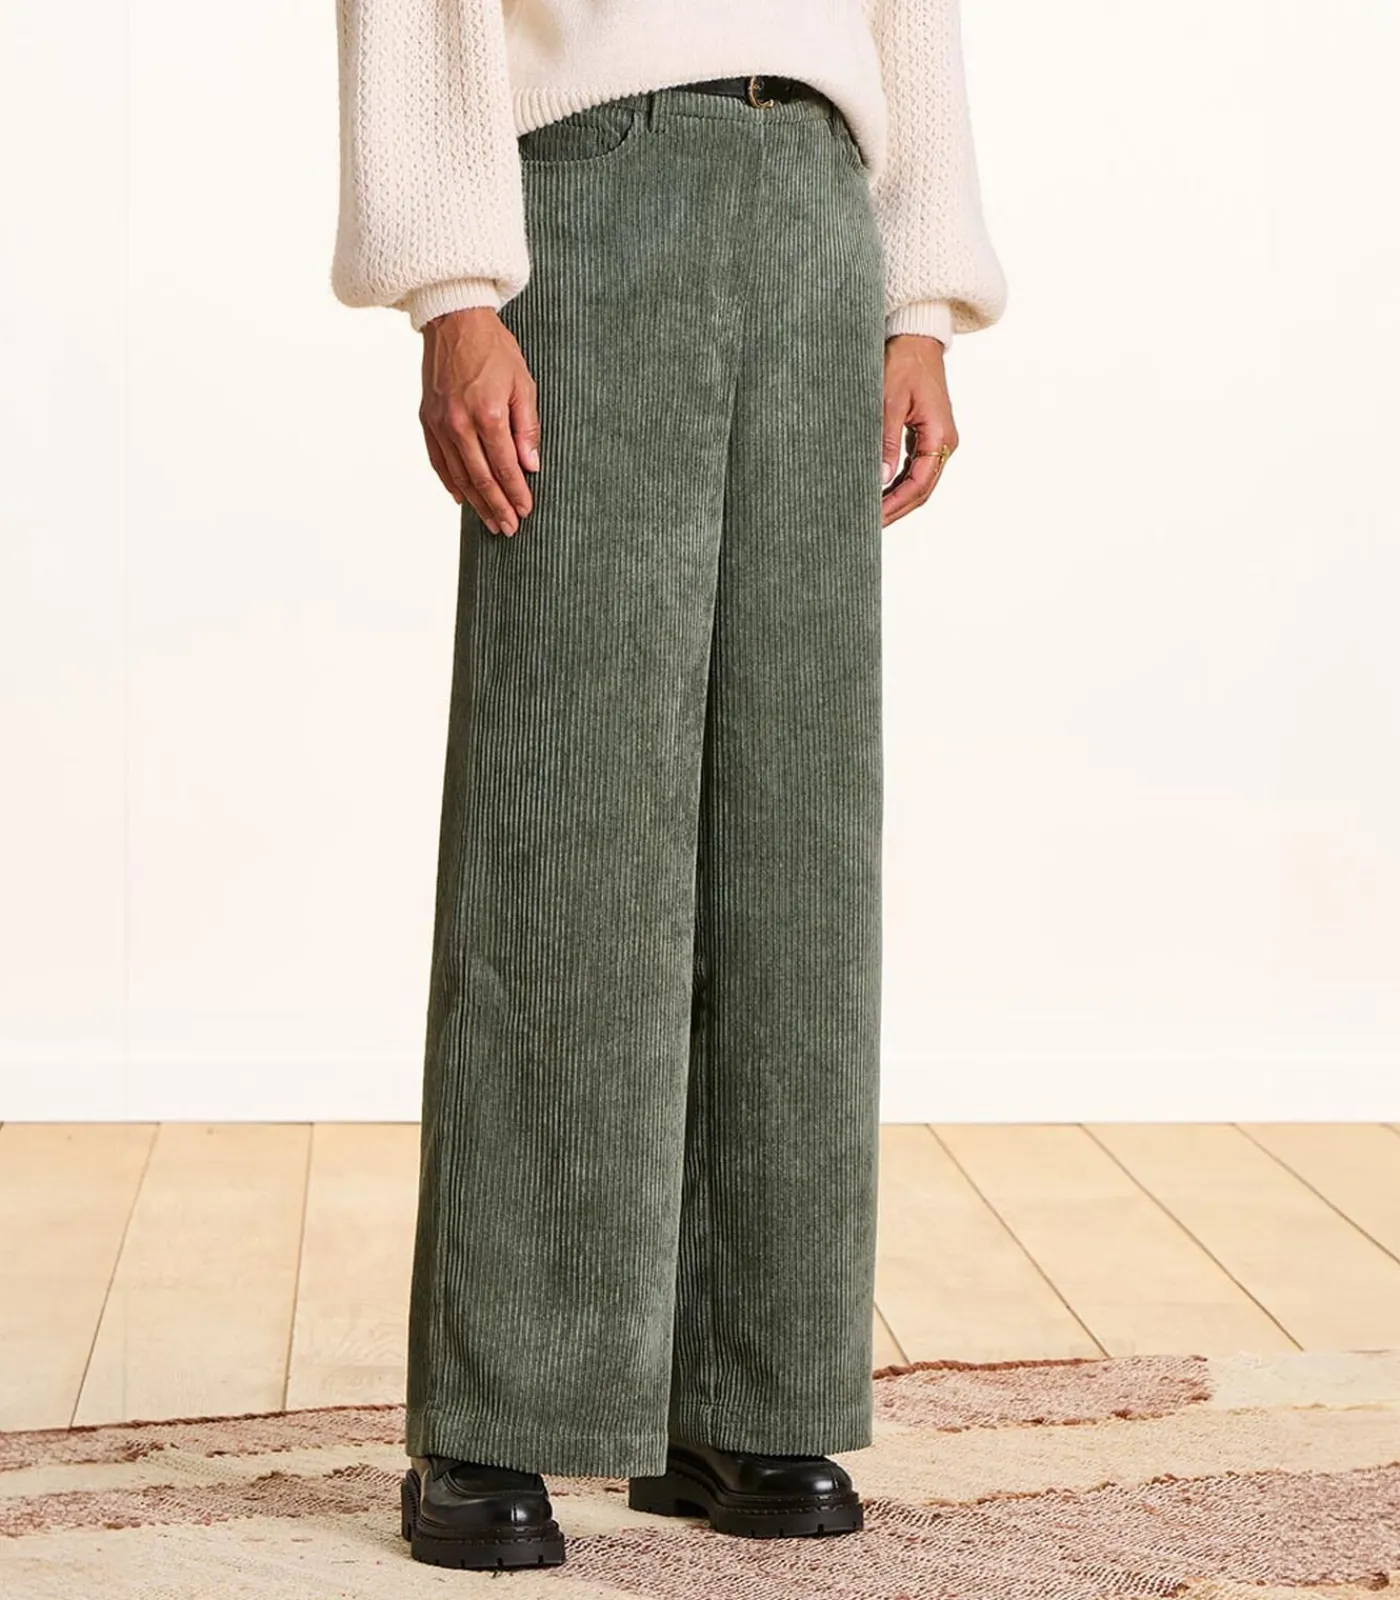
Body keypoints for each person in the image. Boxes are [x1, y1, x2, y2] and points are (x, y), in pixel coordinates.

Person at [331, 0, 1006, 1572]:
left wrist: (918, 293)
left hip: (820, 200)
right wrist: (452, 289)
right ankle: (500, 1408)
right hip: (592, 186)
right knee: (566, 815)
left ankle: (748, 1392)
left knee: (796, 828)